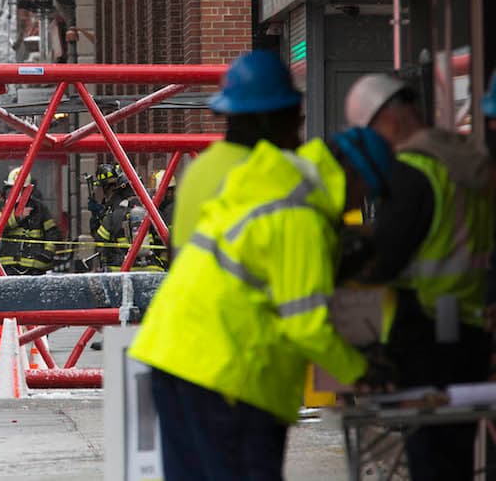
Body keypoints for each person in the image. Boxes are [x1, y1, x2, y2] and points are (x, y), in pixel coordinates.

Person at [128, 129, 395, 481]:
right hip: (226, 375)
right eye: (366, 192)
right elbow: (305, 324)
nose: (359, 204)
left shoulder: (278, 181)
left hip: (175, 357)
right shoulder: (303, 214)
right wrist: (363, 374)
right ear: (352, 174)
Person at [346, 73, 495, 480]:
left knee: (431, 458)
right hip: (470, 331)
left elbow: (384, 260)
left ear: (389, 120)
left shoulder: (413, 171)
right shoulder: (468, 161)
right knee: (456, 458)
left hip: (427, 337)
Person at [170, 50, 304, 254]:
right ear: (272, 118)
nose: (298, 132)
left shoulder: (198, 171)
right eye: (294, 118)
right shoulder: (270, 175)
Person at [0, 167, 62, 275]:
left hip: (35, 266)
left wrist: (47, 253)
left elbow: (53, 233)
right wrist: (18, 217)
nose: (15, 192)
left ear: (28, 190)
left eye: (20, 189)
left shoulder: (39, 207)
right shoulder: (2, 207)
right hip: (8, 266)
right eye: (12, 189)